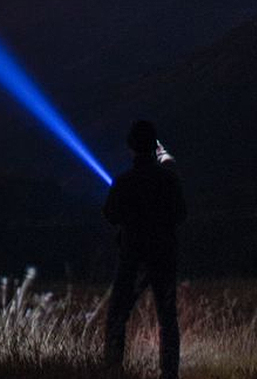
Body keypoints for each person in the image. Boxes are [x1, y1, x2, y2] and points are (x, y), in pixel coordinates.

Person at [102, 120, 187, 379]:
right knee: (167, 318)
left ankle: (114, 370)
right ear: (153, 147)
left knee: (118, 315)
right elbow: (181, 214)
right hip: (163, 255)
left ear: (131, 148)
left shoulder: (125, 181)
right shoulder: (168, 179)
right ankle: (169, 374)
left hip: (132, 257)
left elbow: (110, 214)